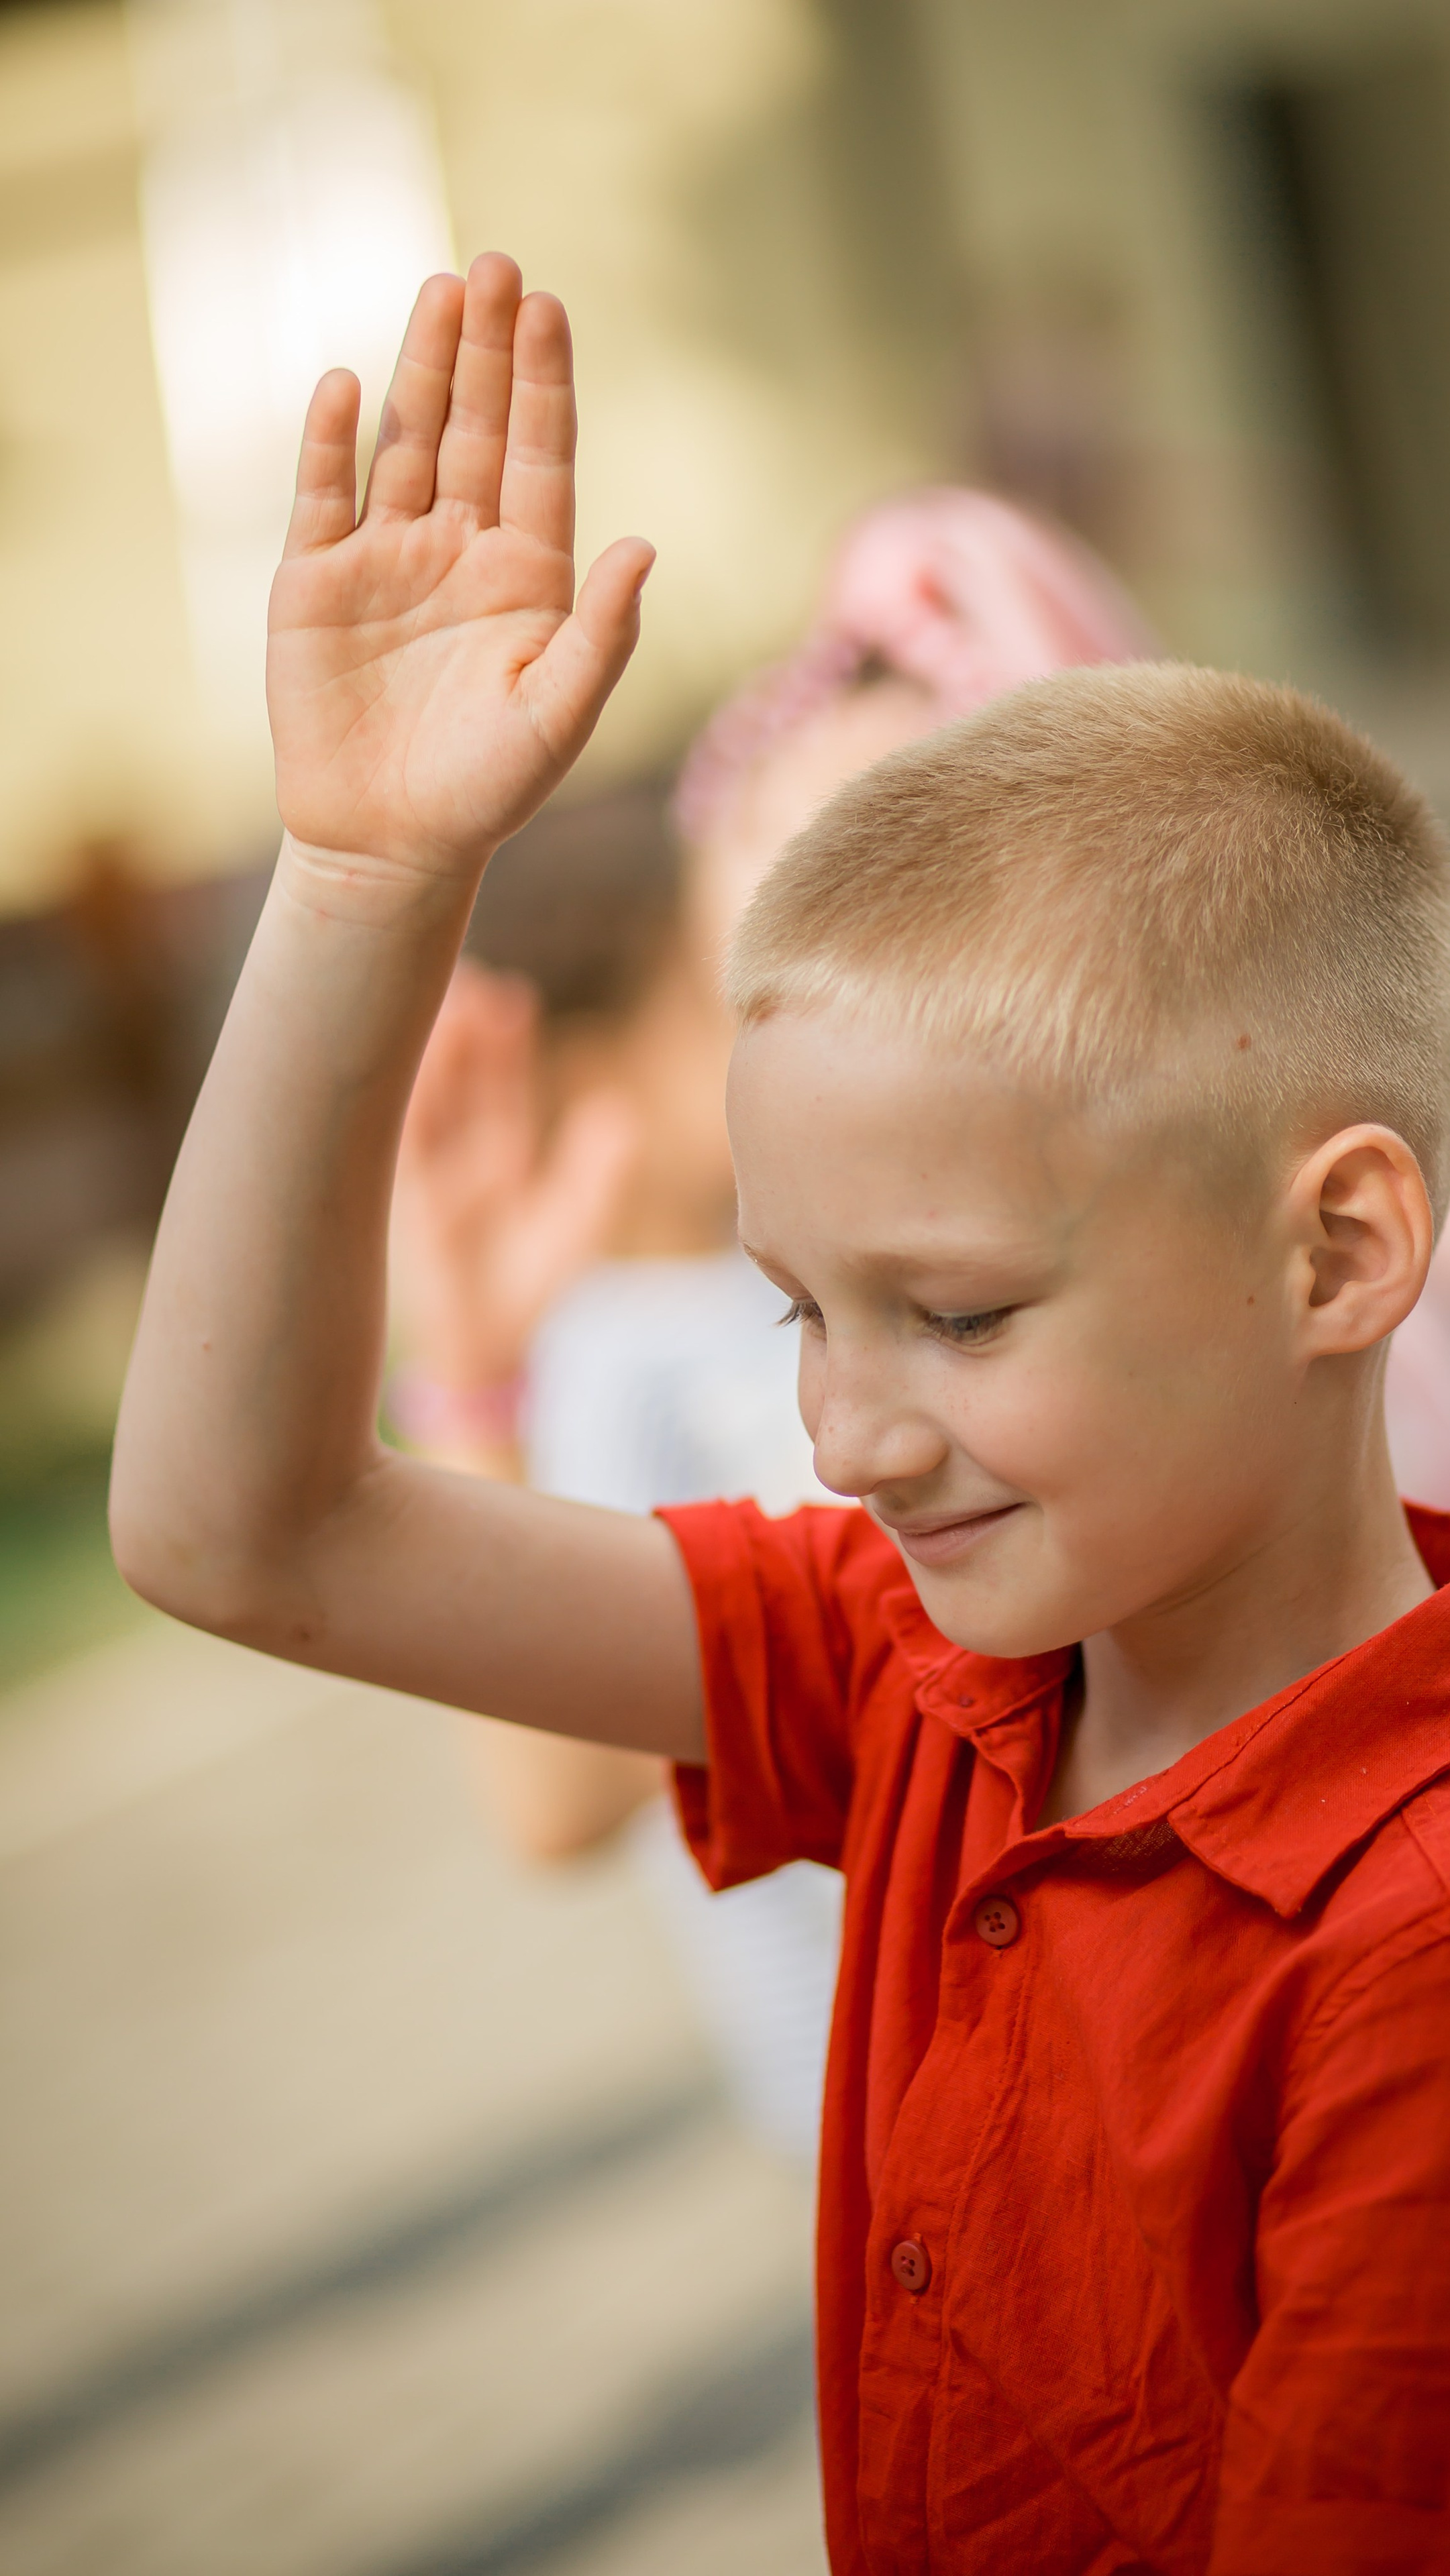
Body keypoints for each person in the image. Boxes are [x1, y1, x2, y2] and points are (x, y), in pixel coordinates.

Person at [111, 259, 1450, 2571]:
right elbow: (235, 1533)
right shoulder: (925, 1673)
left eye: (956, 1317)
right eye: (803, 1318)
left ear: (1342, 1256)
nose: (847, 1435)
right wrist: (369, 877)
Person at [387, 486, 1155, 2162]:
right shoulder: (637, 1349)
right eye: (783, 917)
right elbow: (556, 1802)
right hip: (928, 2151)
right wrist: (472, 1379)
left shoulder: (1093, 1258)